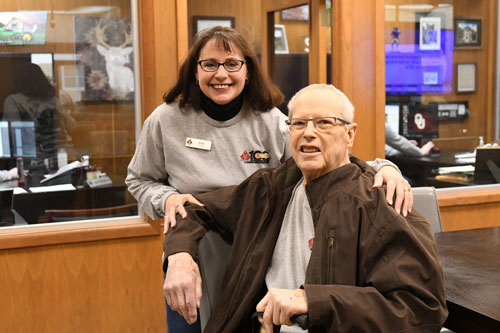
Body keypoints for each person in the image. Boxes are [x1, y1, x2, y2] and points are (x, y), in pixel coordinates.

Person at [125, 26, 414, 332]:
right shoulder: (165, 120)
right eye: (209, 64)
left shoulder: (273, 121)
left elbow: (320, 164)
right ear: (195, 71)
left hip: (256, 252)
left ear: (248, 71)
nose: (221, 74)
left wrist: (383, 167)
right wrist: (168, 203)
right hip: (190, 249)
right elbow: (139, 181)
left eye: (232, 64)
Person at [163, 84, 447, 332]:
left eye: (324, 122)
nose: (308, 133)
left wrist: (313, 301)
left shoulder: (381, 204)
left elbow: (420, 309)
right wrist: (178, 255)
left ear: (350, 135)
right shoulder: (269, 190)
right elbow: (196, 207)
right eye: (298, 124)